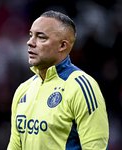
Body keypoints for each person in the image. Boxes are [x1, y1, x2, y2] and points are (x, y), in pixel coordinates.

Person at [7, 10, 109, 150]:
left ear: (62, 45)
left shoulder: (83, 87)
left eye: (41, 37)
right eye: (31, 35)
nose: (30, 42)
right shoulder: (23, 90)